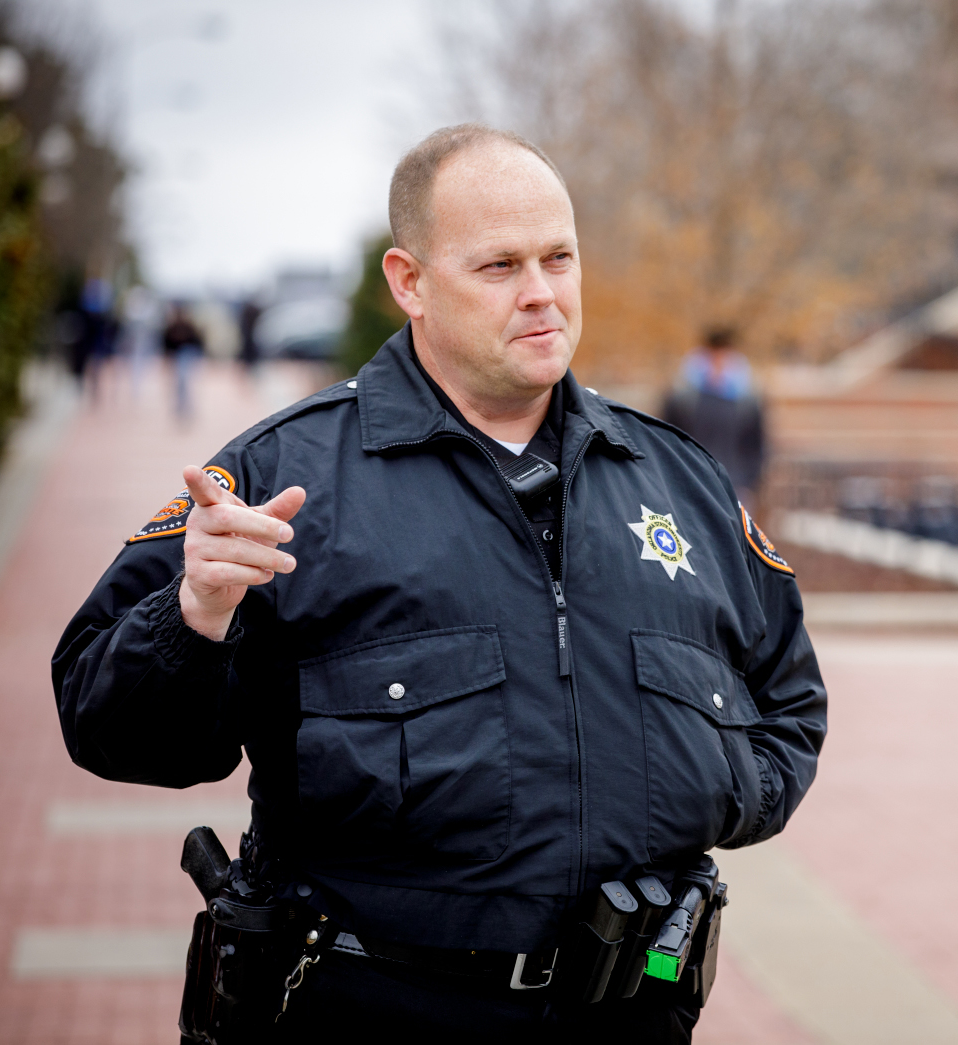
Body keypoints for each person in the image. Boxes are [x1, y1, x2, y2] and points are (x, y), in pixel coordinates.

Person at [53, 124, 827, 1042]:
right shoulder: (280, 480)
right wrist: (193, 615)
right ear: (409, 282)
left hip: (632, 1008)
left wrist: (717, 790)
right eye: (499, 266)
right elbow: (100, 720)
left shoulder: (679, 480)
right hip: (372, 1010)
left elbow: (789, 697)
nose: (542, 294)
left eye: (559, 258)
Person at [662, 327, 765, 512]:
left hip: (735, 487)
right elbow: (666, 439)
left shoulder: (747, 400)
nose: (719, 363)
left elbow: (756, 445)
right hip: (689, 483)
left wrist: (749, 483)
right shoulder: (682, 397)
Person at [162, 302, 205, 422]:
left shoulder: (189, 326)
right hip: (178, 356)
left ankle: (186, 406)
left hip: (187, 355)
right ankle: (181, 406)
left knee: (184, 381)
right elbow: (167, 344)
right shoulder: (172, 326)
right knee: (179, 383)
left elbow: (197, 342)